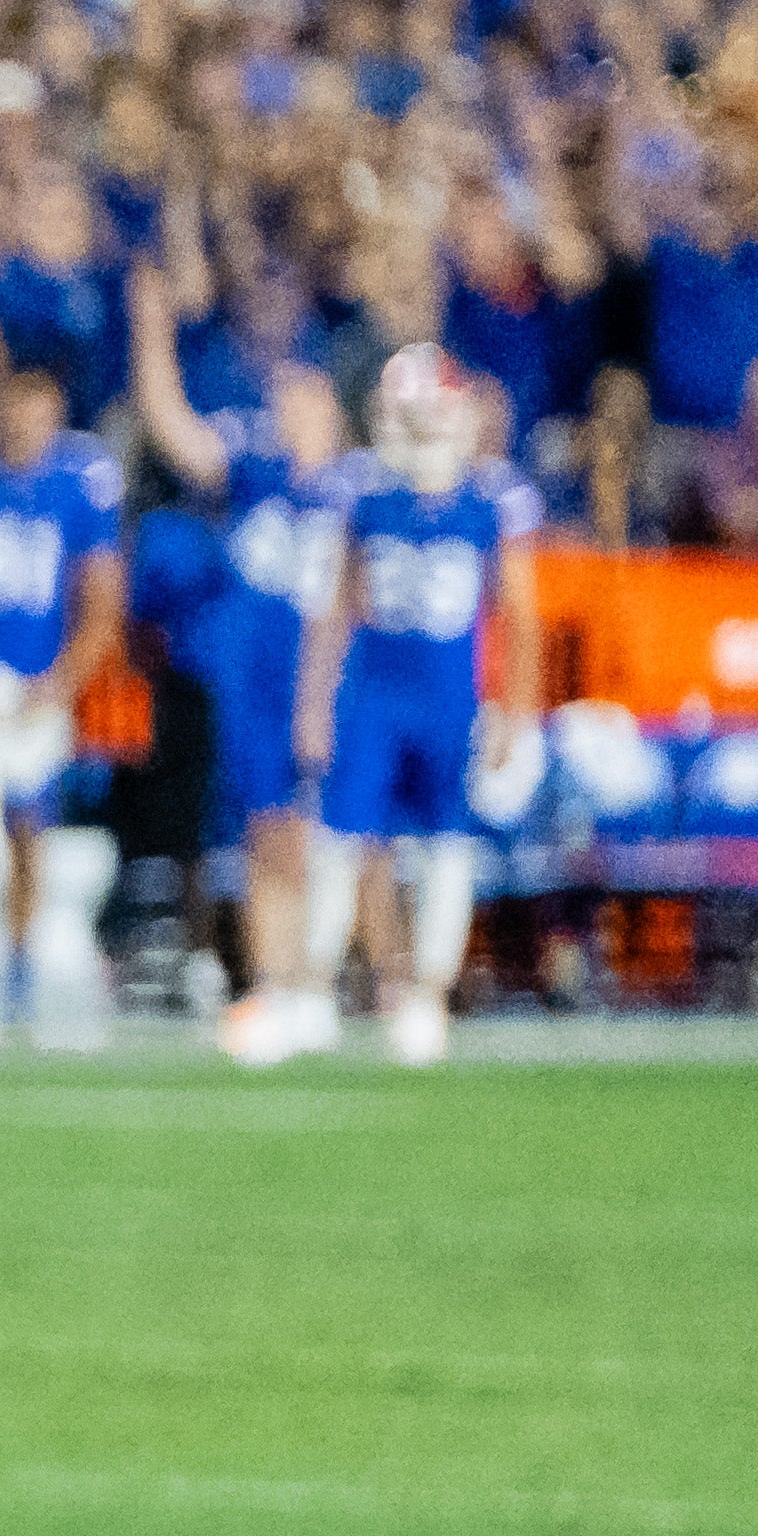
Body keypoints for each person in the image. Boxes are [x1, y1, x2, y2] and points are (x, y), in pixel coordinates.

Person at [128, 260, 352, 1065]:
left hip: (322, 684)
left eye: (305, 404)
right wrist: (151, 331)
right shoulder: (254, 480)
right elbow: (169, 421)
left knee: (320, 838)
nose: (289, 418)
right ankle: (275, 983)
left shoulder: (351, 496)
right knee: (264, 834)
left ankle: (318, 982)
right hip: (256, 684)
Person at [301, 347, 541, 1069]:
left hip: (446, 698)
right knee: (339, 841)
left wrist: (512, 711)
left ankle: (427, 996)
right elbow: (334, 606)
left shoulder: (493, 498)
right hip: (372, 692)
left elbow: (520, 617)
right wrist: (312, 702)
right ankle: (315, 989)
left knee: (444, 847)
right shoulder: (362, 490)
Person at [0, 363, 124, 1041]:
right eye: (14, 407)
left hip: (34, 675)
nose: (22, 424)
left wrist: (61, 681)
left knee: (26, 822)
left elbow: (100, 599)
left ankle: (17, 963)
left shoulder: (77, 482)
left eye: (38, 410)